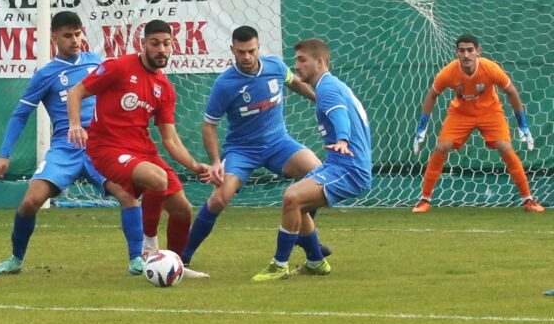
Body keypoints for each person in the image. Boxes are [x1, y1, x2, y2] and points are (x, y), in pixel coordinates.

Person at [0, 11, 145, 276]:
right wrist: (4, 154)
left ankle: (136, 260)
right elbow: (20, 114)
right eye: (67, 35)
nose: (74, 40)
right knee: (29, 202)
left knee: (128, 195)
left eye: (78, 34)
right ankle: (16, 259)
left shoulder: (97, 63)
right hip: (65, 147)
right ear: (54, 37)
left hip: (100, 146)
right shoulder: (45, 75)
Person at [67, 19, 213, 279]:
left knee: (182, 209)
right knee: (156, 178)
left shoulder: (165, 88)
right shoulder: (119, 67)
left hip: (142, 151)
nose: (162, 49)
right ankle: (149, 247)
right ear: (143, 43)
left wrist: (194, 165)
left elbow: (169, 138)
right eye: (155, 43)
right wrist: (75, 125)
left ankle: (176, 265)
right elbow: (76, 91)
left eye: (167, 44)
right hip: (107, 148)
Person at [181, 25, 331, 267]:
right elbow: (209, 126)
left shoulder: (275, 67)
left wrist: (318, 98)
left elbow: (293, 82)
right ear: (232, 50)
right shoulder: (224, 84)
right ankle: (183, 258)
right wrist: (217, 162)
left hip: (278, 143)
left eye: (251, 51)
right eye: (241, 52)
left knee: (317, 175)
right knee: (219, 198)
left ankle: (304, 238)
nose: (247, 57)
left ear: (259, 47)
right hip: (242, 150)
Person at [252, 38, 372, 281]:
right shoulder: (331, 85)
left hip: (349, 168)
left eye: (301, 60)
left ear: (319, 62)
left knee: (292, 197)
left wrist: (343, 140)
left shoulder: (327, 89)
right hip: (339, 164)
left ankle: (279, 265)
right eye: (296, 60)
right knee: (299, 204)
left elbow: (340, 116)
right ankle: (316, 262)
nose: (297, 66)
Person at [412, 34, 544, 213]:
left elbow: (511, 92)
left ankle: (528, 200)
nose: (466, 55)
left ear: (478, 51)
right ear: (456, 52)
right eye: (462, 51)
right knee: (442, 147)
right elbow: (431, 95)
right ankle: (424, 200)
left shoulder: (490, 68)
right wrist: (422, 128)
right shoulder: (448, 72)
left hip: (490, 111)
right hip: (460, 113)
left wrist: (523, 124)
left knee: (505, 147)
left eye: (470, 50)